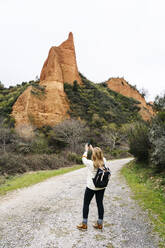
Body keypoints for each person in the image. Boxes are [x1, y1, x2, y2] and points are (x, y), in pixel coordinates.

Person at [77, 143, 108, 230]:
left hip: (91, 187)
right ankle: (100, 224)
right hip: (101, 187)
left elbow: (83, 158)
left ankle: (84, 224)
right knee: (100, 204)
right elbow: (98, 155)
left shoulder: (90, 163)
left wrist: (87, 150)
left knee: (86, 204)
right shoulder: (104, 161)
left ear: (93, 154)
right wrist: (93, 149)